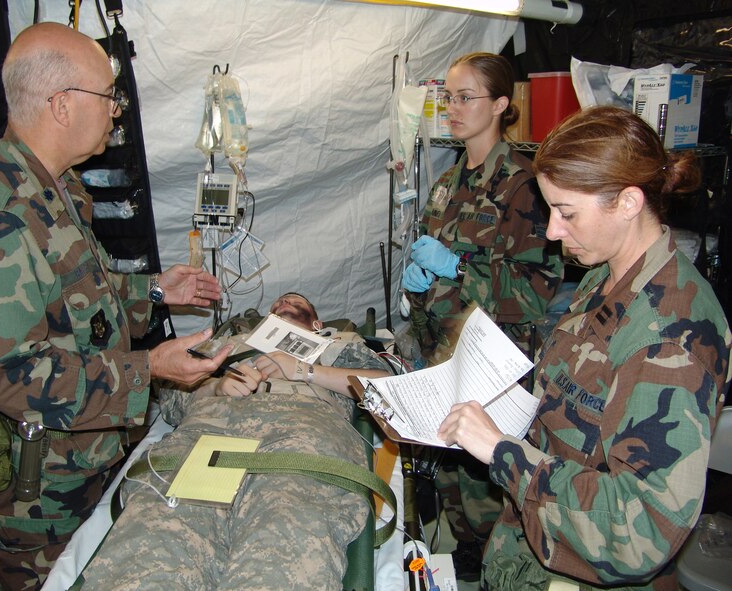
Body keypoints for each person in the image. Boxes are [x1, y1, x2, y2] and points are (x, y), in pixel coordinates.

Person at [0, 22, 232, 590]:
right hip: (45, 495)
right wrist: (149, 369)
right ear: (61, 105)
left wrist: (154, 290)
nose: (117, 111)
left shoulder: (57, 187)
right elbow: (13, 378)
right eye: (109, 96)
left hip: (93, 456)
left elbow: (77, 305)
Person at [437, 106, 732, 591]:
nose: (552, 231)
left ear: (628, 202)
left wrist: (499, 450)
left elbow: (641, 531)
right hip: (532, 552)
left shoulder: (671, 334)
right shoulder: (604, 275)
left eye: (567, 212)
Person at [78, 292, 391, 590]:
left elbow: (388, 387)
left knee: (281, 561)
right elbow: (171, 401)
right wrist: (215, 388)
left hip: (298, 450)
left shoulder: (337, 345)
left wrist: (305, 371)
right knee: (152, 557)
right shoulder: (224, 345)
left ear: (317, 325)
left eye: (297, 303)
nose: (285, 302)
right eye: (279, 302)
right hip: (206, 446)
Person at [402, 52, 563, 580]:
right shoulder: (449, 182)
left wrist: (456, 269)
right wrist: (419, 287)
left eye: (464, 97)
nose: (452, 108)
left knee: (491, 492)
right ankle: (468, 561)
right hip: (444, 357)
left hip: (493, 366)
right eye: (448, 97)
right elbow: (432, 263)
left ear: (499, 104)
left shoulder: (523, 185)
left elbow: (536, 294)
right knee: (453, 483)